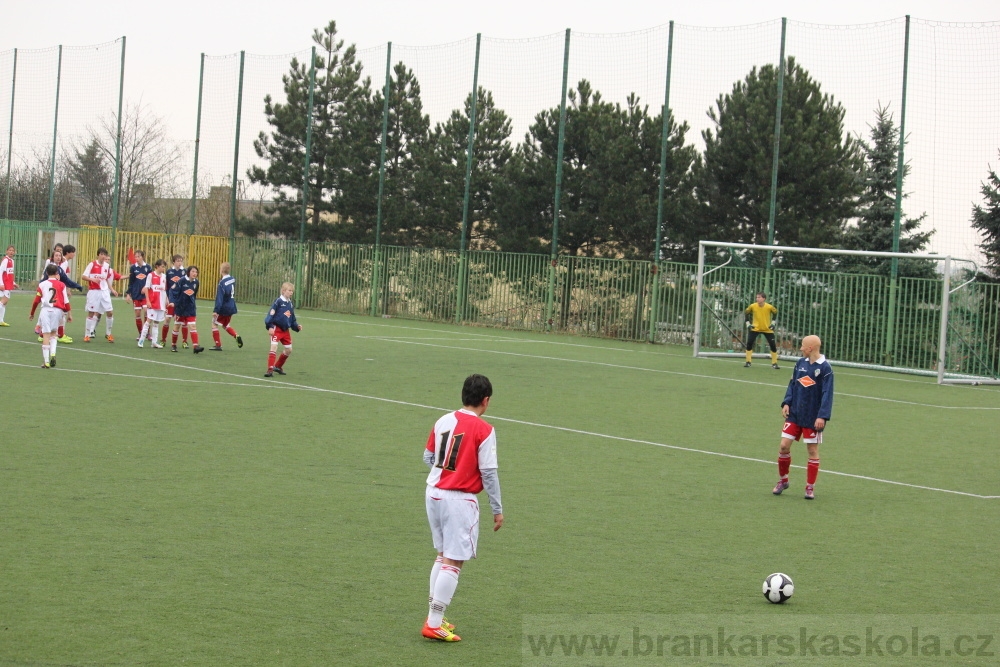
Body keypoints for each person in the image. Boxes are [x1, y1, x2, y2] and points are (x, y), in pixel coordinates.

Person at [421, 374, 503, 643]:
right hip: (458, 499)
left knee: (442, 555)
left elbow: (428, 457)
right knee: (454, 561)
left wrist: (445, 469)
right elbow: (489, 473)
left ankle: (435, 615)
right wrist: (497, 508)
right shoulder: (484, 430)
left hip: (433, 493)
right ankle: (433, 623)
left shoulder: (443, 419)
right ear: (486, 400)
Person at [772, 334, 834, 500]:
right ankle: (783, 480)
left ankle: (809, 487)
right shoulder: (800, 364)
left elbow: (827, 395)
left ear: (810, 348)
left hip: (812, 417)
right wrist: (787, 402)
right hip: (795, 414)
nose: (800, 349)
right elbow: (792, 384)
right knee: (784, 446)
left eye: (802, 346)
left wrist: (822, 416)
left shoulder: (826, 369)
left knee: (812, 450)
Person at [33, 264, 72, 368]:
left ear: (46, 273)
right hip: (58, 311)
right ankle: (53, 354)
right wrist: (69, 314)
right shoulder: (62, 285)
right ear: (56, 273)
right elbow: (66, 301)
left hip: (46, 310)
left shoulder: (42, 285)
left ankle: (46, 362)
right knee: (54, 334)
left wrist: (32, 313)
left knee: (46, 334)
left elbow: (36, 301)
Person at [263, 282, 301, 377]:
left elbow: (292, 318)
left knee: (289, 350)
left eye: (292, 291)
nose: (291, 292)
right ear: (283, 291)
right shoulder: (278, 301)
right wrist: (270, 326)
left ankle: (278, 366)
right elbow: (270, 315)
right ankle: (270, 369)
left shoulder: (290, 304)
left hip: (285, 331)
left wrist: (296, 327)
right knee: (274, 347)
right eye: (289, 290)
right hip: (276, 328)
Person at [81, 247, 119, 343]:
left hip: (104, 292)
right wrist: (93, 279)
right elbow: (83, 276)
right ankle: (87, 335)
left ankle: (108, 334)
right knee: (91, 313)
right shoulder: (92, 264)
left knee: (110, 312)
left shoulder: (107, 266)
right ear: (98, 255)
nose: (103, 256)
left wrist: (112, 290)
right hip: (94, 292)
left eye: (104, 255)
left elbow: (106, 279)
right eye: (101, 254)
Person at [170, 266, 204, 354]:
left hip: (190, 308)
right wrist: (173, 302)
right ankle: (173, 345)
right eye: (193, 271)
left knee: (192, 326)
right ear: (188, 272)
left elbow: (194, 294)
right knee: (177, 326)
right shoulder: (181, 281)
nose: (194, 273)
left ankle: (196, 346)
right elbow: (172, 290)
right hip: (180, 308)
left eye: (196, 272)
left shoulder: (196, 282)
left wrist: (192, 302)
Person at [209, 262, 242, 351]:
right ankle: (236, 335)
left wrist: (216, 310)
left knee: (214, 324)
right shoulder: (232, 279)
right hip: (232, 306)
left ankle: (218, 345)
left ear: (222, 270)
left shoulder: (222, 283)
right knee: (225, 325)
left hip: (224, 307)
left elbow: (219, 299)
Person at [744, 292, 780, 369]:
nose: (757, 299)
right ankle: (748, 362)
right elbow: (746, 313)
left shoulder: (769, 307)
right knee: (749, 344)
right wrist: (748, 324)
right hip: (755, 328)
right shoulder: (752, 306)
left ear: (764, 299)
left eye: (759, 297)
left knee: (773, 345)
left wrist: (773, 324)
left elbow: (775, 313)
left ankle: (774, 363)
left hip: (767, 329)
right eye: (757, 297)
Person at [139, 259, 168, 349]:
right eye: (162, 266)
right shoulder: (151, 275)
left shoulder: (164, 276)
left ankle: (154, 342)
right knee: (149, 321)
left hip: (161, 303)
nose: (163, 268)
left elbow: (164, 290)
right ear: (157, 266)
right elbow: (147, 288)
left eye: (164, 267)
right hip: (153, 302)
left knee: (157, 322)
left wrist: (167, 300)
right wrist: (147, 301)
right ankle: (141, 340)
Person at [125, 250, 153, 340]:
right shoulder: (133, 268)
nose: (136, 258)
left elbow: (150, 281)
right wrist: (129, 293)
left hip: (145, 294)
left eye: (138, 256)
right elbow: (131, 281)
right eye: (135, 257)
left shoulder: (148, 267)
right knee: (137, 313)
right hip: (136, 294)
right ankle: (141, 333)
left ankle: (147, 333)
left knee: (146, 311)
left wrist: (147, 289)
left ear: (142, 257)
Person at [163, 255, 186, 348]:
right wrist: (166, 298)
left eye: (181, 261)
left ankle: (184, 341)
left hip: (180, 300)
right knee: (167, 319)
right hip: (171, 299)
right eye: (177, 261)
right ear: (173, 262)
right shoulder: (169, 272)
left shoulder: (184, 272)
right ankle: (163, 340)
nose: (179, 263)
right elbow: (166, 286)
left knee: (182, 321)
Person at [0, 244, 17, 326]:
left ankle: (1, 320)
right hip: (4, 284)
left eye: (12, 251)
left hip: (8, 284)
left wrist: (13, 283)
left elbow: (9, 273)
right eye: (9, 250)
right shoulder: (5, 260)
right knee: (4, 300)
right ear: (6, 251)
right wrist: (1, 284)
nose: (11, 252)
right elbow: (1, 272)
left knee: (4, 303)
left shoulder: (12, 261)